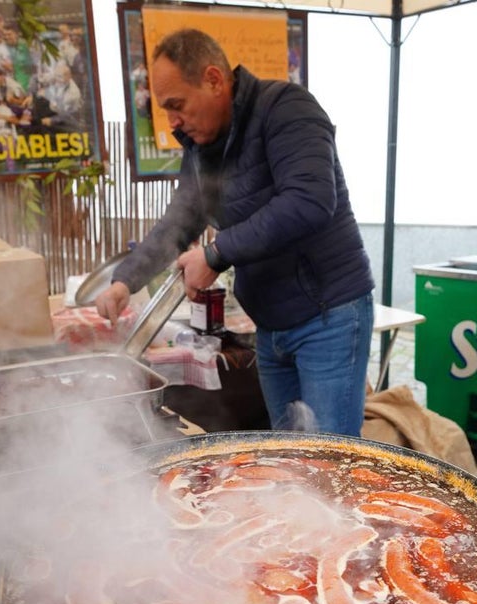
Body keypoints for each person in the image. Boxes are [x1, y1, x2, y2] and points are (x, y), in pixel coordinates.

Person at [94, 28, 375, 437]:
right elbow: (179, 221)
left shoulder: (287, 109)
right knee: (287, 455)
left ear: (213, 79)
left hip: (328, 317)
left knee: (332, 460)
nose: (173, 121)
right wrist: (125, 281)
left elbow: (309, 200)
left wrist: (214, 254)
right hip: (271, 324)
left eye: (177, 105)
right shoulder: (202, 147)